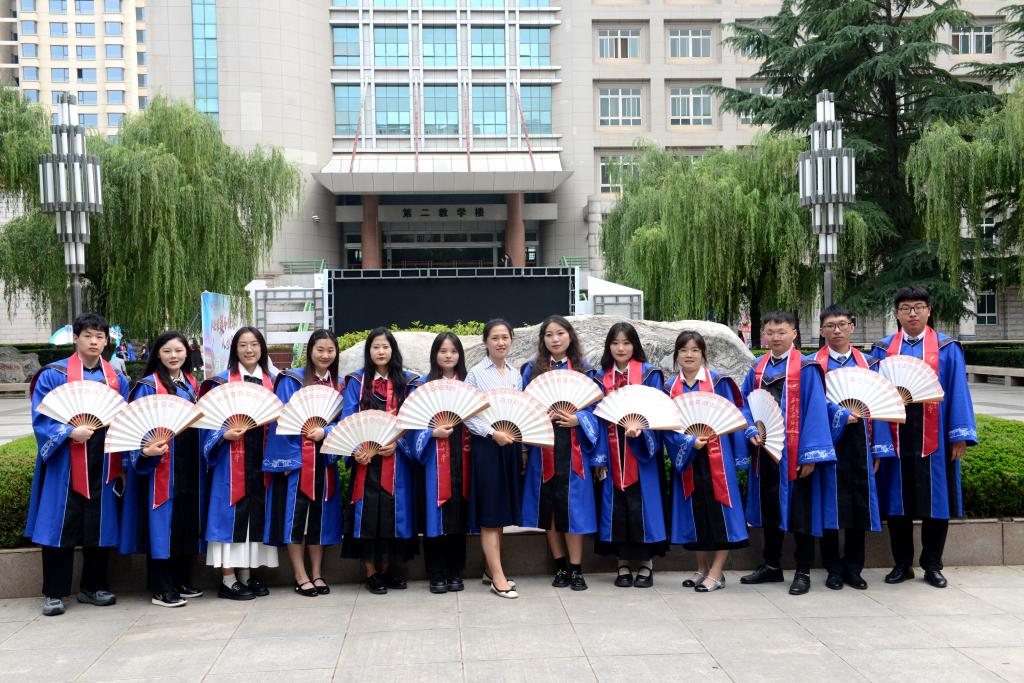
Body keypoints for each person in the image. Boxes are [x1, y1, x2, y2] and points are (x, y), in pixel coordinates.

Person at [871, 287, 977, 588]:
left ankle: (932, 565)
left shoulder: (946, 348)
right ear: (897, 314)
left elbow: (958, 391)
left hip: (935, 437)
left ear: (929, 311)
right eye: (906, 308)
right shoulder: (882, 350)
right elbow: (873, 395)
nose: (912, 313)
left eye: (918, 307)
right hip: (896, 433)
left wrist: (959, 436)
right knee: (897, 501)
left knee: (936, 501)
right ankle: (902, 564)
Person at [26, 313, 130, 616]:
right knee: (60, 522)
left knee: (100, 523)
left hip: (104, 458)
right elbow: (41, 417)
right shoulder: (53, 375)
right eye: (88, 336)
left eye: (100, 337)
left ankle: (93, 587)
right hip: (64, 460)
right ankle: (54, 592)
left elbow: (125, 419)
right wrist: (70, 432)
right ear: (75, 338)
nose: (94, 341)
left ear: (107, 341)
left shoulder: (116, 380)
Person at [739, 311, 836, 595]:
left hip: (795, 455)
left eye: (781, 332)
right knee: (770, 510)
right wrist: (749, 427)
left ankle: (803, 571)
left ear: (794, 333)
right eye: (770, 332)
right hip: (766, 453)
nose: (775, 337)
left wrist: (809, 455)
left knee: (801, 514)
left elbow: (816, 411)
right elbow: (744, 404)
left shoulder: (806, 368)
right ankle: (771, 565)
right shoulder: (757, 368)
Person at [119, 331, 205, 608]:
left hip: (188, 462)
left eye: (178, 351)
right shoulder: (147, 386)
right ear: (158, 353)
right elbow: (133, 428)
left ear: (187, 353)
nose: (173, 356)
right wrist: (146, 451)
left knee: (184, 520)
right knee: (161, 525)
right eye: (167, 351)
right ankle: (161, 587)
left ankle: (180, 579)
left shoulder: (191, 384)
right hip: (161, 465)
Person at [815, 305, 896, 590]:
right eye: (830, 326)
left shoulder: (870, 365)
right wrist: (839, 414)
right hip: (828, 442)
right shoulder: (813, 365)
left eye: (842, 324)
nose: (836, 330)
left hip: (862, 442)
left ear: (852, 327)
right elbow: (811, 406)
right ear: (822, 331)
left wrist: (879, 449)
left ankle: (854, 568)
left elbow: (882, 405)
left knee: (858, 504)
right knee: (829, 505)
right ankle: (832, 568)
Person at [521, 315, 603, 591]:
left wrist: (579, 419)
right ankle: (560, 566)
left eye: (560, 333)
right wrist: (538, 417)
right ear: (543, 340)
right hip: (542, 447)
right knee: (550, 508)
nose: (555, 339)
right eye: (549, 335)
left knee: (574, 507)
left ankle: (577, 569)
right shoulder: (532, 370)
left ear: (570, 336)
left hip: (574, 448)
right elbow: (523, 407)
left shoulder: (585, 370)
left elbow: (597, 409)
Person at [663, 330, 749, 592]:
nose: (689, 355)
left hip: (719, 459)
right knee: (694, 513)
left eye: (695, 350)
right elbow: (666, 427)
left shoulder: (719, 382)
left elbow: (736, 416)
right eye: (683, 350)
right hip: (688, 457)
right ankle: (701, 568)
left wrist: (739, 456)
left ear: (703, 354)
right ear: (676, 355)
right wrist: (688, 442)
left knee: (721, 513)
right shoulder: (669, 388)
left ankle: (716, 572)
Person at [264, 329, 344, 597]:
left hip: (325, 460)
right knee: (296, 519)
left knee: (319, 519)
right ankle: (300, 574)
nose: (325, 355)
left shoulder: (338, 386)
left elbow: (344, 422)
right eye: (320, 349)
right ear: (310, 351)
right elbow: (280, 420)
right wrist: (288, 460)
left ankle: (317, 573)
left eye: (330, 350)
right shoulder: (292, 380)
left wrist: (326, 431)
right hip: (297, 464)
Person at [201, 327, 279, 600]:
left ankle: (246, 575)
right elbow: (206, 423)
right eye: (243, 345)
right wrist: (224, 435)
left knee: (255, 516)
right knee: (229, 515)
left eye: (254, 344)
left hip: (262, 458)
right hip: (230, 461)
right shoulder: (220, 383)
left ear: (262, 348)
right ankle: (227, 579)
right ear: (234, 349)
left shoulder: (274, 382)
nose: (249, 350)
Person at [340, 328, 420, 595]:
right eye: (376, 347)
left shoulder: (407, 382)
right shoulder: (356, 382)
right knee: (368, 516)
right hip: (366, 461)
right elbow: (348, 420)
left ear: (393, 350)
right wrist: (357, 449)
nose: (381, 351)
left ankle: (388, 568)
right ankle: (371, 572)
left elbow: (414, 421)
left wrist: (397, 443)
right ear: (369, 351)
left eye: (385, 346)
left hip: (396, 461)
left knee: (393, 513)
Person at [593, 322, 669, 588]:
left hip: (642, 454)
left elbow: (660, 411)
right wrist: (599, 456)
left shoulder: (650, 375)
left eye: (626, 343)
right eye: (615, 343)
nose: (621, 348)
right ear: (608, 347)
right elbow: (595, 418)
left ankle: (647, 564)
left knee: (642, 506)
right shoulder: (599, 377)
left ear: (635, 345)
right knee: (617, 508)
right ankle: (622, 563)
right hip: (611, 452)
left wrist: (643, 429)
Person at [407, 332, 472, 594]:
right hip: (433, 458)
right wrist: (432, 433)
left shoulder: (468, 385)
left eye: (453, 351)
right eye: (443, 351)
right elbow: (409, 425)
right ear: (435, 354)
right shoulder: (421, 386)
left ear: (460, 355)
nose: (448, 356)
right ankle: (435, 573)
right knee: (434, 516)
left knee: (458, 513)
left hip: (463, 456)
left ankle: (456, 571)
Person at [465, 319, 522, 599]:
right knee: (489, 513)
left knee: (500, 512)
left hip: (510, 447)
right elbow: (467, 414)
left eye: (505, 337)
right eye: (495, 338)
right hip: (487, 447)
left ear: (511, 340)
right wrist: (491, 433)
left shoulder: (515, 374)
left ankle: (490, 569)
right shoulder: (475, 374)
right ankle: (498, 579)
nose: (501, 343)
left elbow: (520, 409)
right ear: (485, 342)